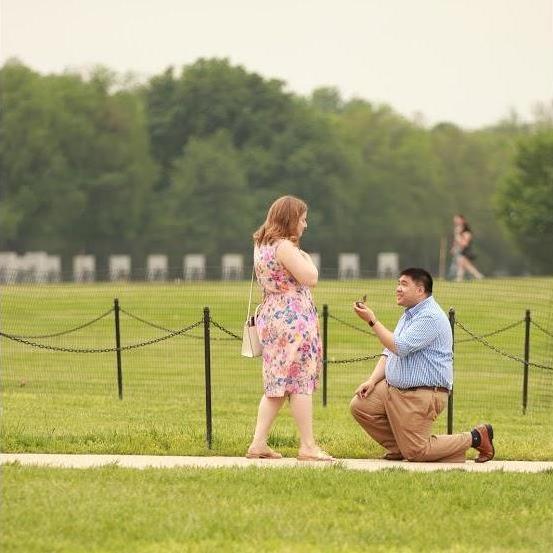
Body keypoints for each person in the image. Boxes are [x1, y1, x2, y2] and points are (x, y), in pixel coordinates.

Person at [350, 267, 494, 463]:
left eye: (404, 284)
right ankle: (400, 448)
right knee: (361, 406)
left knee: (418, 453)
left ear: (420, 290)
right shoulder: (409, 314)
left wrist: (372, 321)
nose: (398, 288)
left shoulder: (430, 317)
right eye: (398, 283)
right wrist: (372, 380)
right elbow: (389, 352)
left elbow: (399, 347)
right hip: (394, 389)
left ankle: (476, 437)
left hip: (422, 394)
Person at [246, 195, 333, 461]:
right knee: (300, 382)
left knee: (277, 384)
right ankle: (308, 446)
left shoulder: (261, 245)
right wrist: (304, 255)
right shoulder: (284, 246)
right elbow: (311, 278)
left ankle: (258, 443)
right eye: (303, 219)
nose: (305, 225)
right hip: (293, 320)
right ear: (290, 219)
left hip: (272, 316)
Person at [455, 215, 484, 281]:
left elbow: (465, 244)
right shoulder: (461, 233)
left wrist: (457, 235)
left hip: (466, 251)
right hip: (462, 251)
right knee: (462, 265)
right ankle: (459, 279)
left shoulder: (467, 233)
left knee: (466, 265)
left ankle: (478, 275)